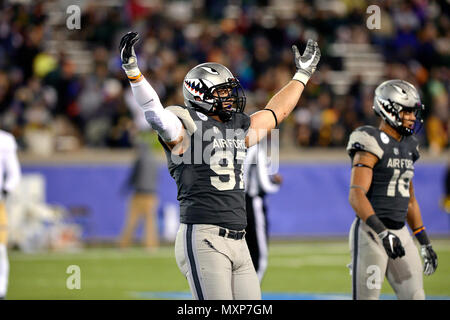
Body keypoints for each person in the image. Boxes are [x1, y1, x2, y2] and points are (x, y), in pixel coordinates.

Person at [119, 31, 320, 300]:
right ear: (200, 95)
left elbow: (276, 112)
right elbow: (153, 112)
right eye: (222, 91)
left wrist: (302, 76)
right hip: (204, 237)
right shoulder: (184, 125)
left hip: (239, 238)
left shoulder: (236, 126)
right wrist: (133, 72)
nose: (230, 96)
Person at [346, 79, 438, 300]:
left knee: (416, 296)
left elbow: (410, 199)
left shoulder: (409, 145)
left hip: (400, 232)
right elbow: (356, 194)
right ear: (388, 108)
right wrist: (382, 231)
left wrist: (425, 241)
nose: (412, 117)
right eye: (406, 111)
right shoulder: (369, 139)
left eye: (413, 112)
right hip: (372, 232)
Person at [243, 141, 282, 282]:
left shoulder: (238, 147)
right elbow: (265, 185)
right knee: (259, 255)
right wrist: (276, 183)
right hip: (253, 203)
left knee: (244, 250)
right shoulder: (257, 150)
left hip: (239, 204)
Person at [118, 133, 160, 251]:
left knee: (131, 221)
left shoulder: (140, 159)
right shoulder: (154, 159)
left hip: (139, 194)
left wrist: (125, 189)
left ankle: (124, 245)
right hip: (152, 194)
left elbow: (133, 176)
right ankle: (151, 246)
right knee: (150, 222)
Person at [0, 129, 21, 299]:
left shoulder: (5, 140)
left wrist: (5, 192)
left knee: (0, 249)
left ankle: (1, 291)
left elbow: (14, 173)